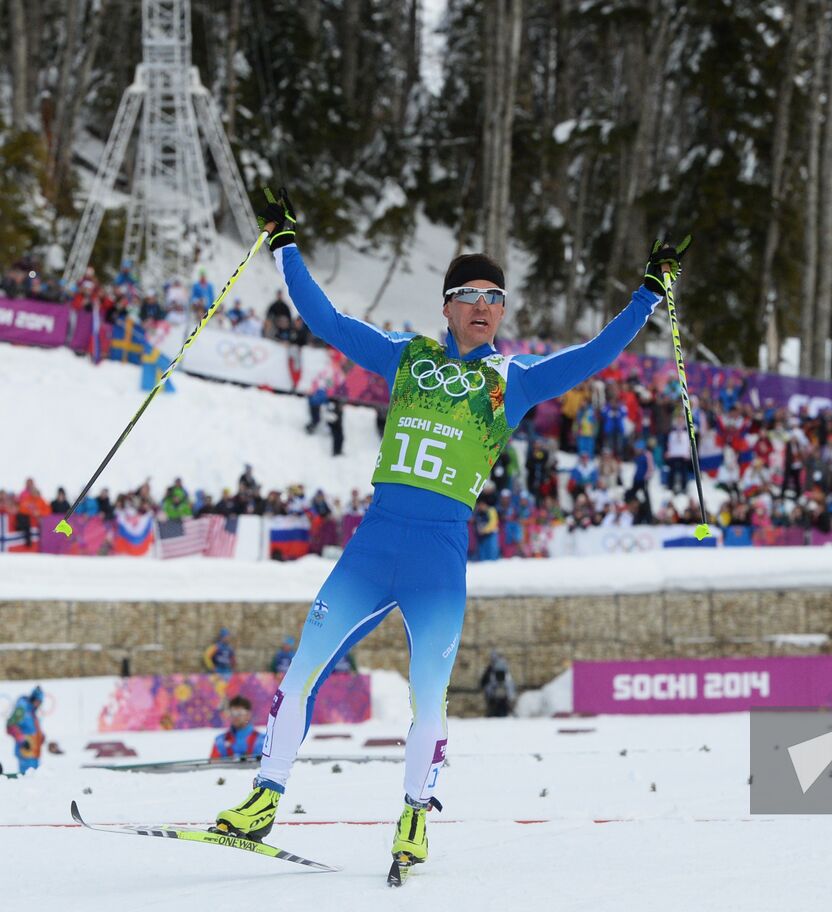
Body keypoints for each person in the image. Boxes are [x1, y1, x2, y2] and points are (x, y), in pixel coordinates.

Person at [213, 187, 689, 871]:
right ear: (447, 305)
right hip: (375, 543)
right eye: (471, 294)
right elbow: (324, 318)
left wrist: (647, 295)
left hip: (438, 554)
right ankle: (263, 798)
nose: (485, 307)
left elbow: (591, 356)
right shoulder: (408, 358)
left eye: (496, 298)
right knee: (301, 672)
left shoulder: (512, 380)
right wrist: (285, 241)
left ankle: (413, 820)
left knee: (427, 698)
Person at [211, 695, 266, 760]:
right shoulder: (220, 741)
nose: (235, 716)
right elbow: (213, 765)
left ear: (248, 714)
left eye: (239, 713)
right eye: (233, 713)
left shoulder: (263, 741)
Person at [5, 686, 44, 775]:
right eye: (37, 701)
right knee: (27, 778)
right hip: (25, 751)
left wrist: (41, 736)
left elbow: (32, 729)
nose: (39, 704)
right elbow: (11, 725)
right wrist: (22, 740)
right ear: (33, 698)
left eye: (40, 702)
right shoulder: (22, 708)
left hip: (34, 753)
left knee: (35, 778)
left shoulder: (32, 711)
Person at [480, 651, 516, 717]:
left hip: (502, 698)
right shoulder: (492, 671)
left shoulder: (502, 673)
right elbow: (486, 683)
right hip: (495, 698)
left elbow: (510, 685)